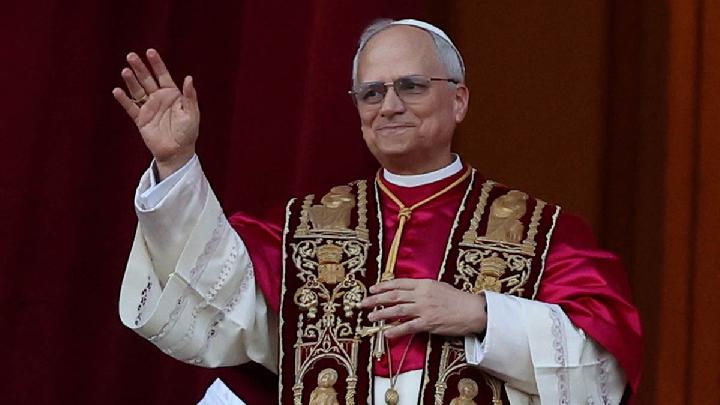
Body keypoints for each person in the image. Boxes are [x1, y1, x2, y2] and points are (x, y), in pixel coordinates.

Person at [113, 18, 642, 404]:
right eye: (371, 93)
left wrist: (482, 315)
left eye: (411, 86)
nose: (389, 106)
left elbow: (601, 373)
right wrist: (177, 163)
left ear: (459, 100)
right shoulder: (301, 228)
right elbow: (212, 301)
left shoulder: (541, 233)